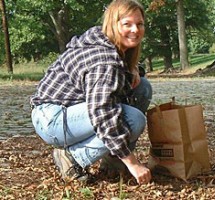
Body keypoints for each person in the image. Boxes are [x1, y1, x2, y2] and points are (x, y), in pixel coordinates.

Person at [30, 0, 152, 185]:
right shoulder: (104, 60)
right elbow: (103, 114)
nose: (135, 30)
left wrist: (134, 69)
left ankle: (112, 161)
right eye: (127, 24)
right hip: (52, 118)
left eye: (139, 24)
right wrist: (133, 163)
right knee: (133, 119)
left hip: (71, 112)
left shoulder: (109, 43)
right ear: (113, 23)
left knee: (142, 88)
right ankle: (72, 157)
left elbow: (115, 78)